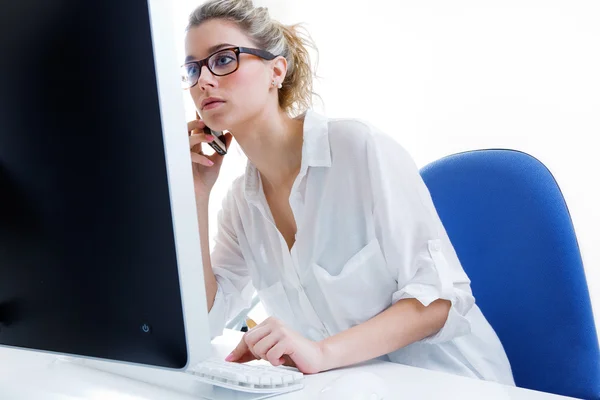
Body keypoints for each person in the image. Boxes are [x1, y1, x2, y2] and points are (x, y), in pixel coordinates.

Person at [182, 0, 515, 385]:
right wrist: (196, 196)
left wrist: (320, 353)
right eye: (192, 69)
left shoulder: (358, 149)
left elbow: (440, 300)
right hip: (353, 387)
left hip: (452, 382)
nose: (203, 80)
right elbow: (203, 320)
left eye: (223, 59)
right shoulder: (240, 204)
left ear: (276, 70)